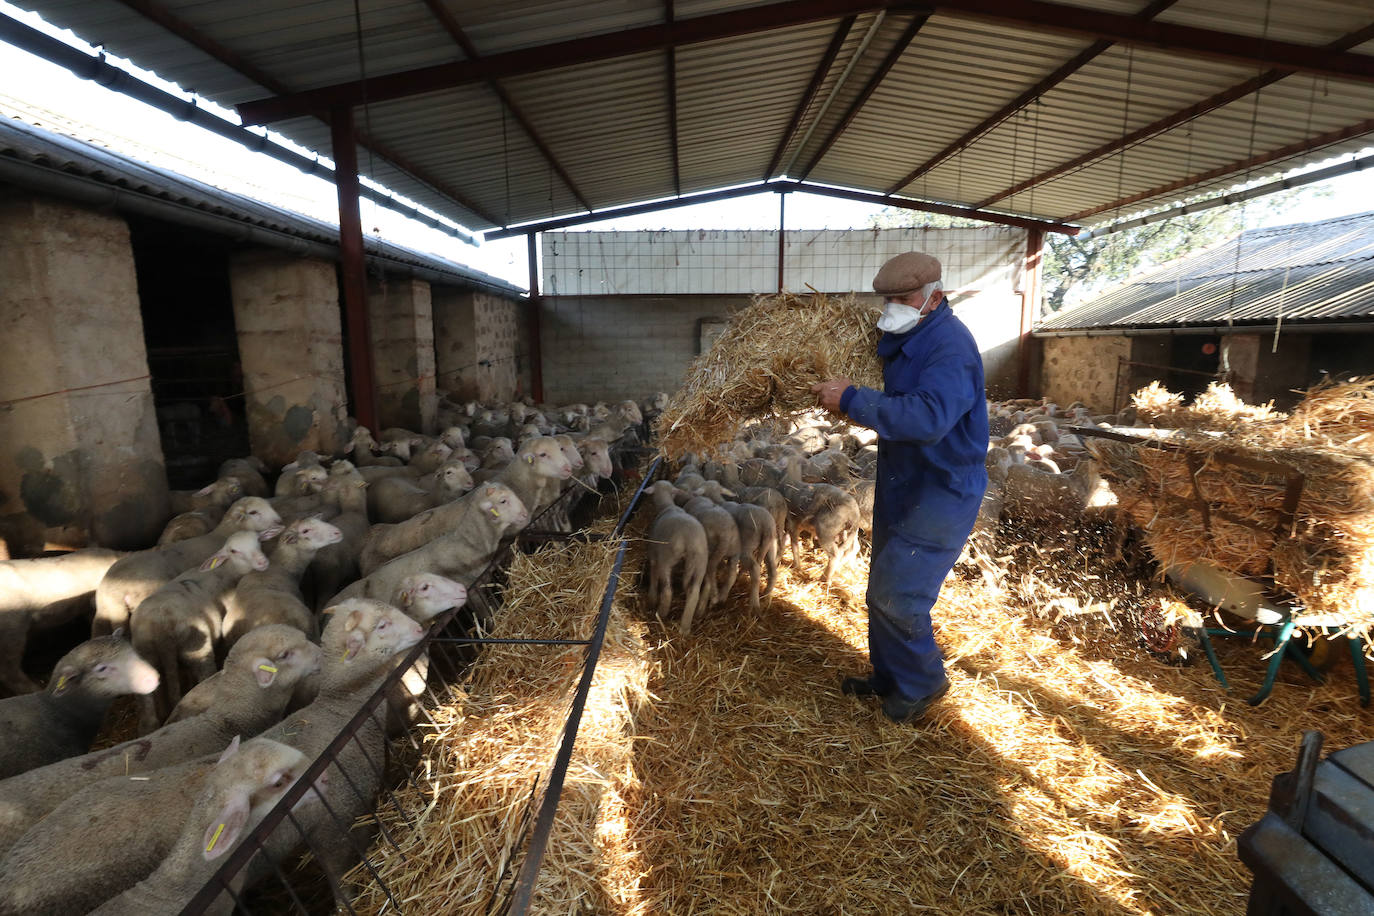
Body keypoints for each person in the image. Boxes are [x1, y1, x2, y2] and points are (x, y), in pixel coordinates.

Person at [811, 251, 988, 724]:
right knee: (881, 590)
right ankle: (889, 675)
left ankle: (924, 683)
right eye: (888, 299)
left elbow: (928, 417)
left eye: (903, 298)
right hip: (905, 478)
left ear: (934, 296)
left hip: (941, 486)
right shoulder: (910, 333)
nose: (893, 307)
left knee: (899, 594)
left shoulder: (949, 346)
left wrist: (852, 398)